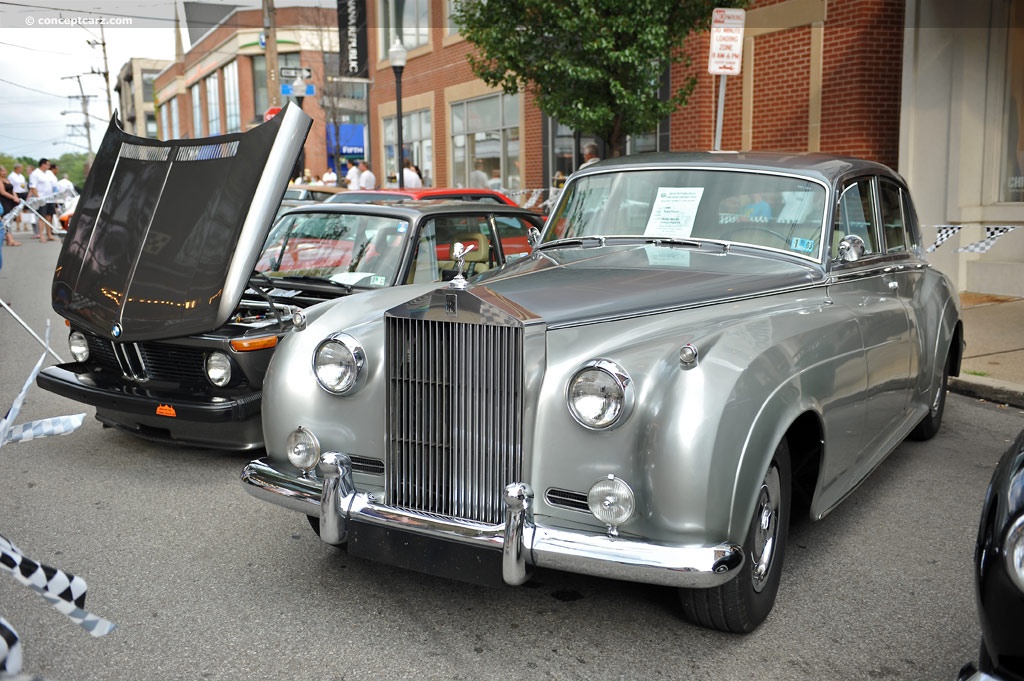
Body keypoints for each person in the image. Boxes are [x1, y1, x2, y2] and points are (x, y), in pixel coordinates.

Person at [29, 158, 57, 242]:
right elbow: (33, 187)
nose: (49, 166)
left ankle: (49, 234)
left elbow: (54, 183)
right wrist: (38, 198)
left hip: (50, 198)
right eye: (48, 164)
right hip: (41, 198)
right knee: (42, 217)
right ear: (43, 164)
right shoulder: (35, 174)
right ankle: (41, 235)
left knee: (49, 216)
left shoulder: (49, 173)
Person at [0, 166, 21, 246]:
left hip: (10, 201)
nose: (4, 173)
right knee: (6, 220)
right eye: (2, 171)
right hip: (3, 201)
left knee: (9, 220)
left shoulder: (7, 180)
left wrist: (15, 197)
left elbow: (12, 190)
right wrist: (13, 197)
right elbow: (2, 192)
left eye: (5, 171)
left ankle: (9, 239)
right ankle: (10, 239)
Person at [9, 163, 27, 235]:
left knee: (25, 210)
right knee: (17, 210)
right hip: (16, 193)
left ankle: (25, 225)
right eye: (21, 168)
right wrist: (14, 195)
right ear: (17, 168)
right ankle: (18, 225)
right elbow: (11, 187)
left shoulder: (22, 176)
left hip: (23, 192)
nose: (22, 169)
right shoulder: (11, 176)